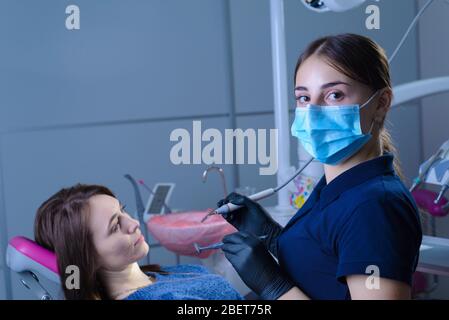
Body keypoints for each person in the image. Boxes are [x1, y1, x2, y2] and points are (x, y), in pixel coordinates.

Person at [219, 33, 423, 300]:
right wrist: (271, 237)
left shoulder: (375, 207)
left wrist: (273, 287)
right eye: (304, 98)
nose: (313, 112)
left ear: (381, 103)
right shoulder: (338, 186)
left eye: (334, 95)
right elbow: (325, 267)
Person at [34, 184, 243, 300]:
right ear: (87, 257)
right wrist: (272, 285)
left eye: (122, 210)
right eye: (115, 226)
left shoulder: (168, 273)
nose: (133, 223)